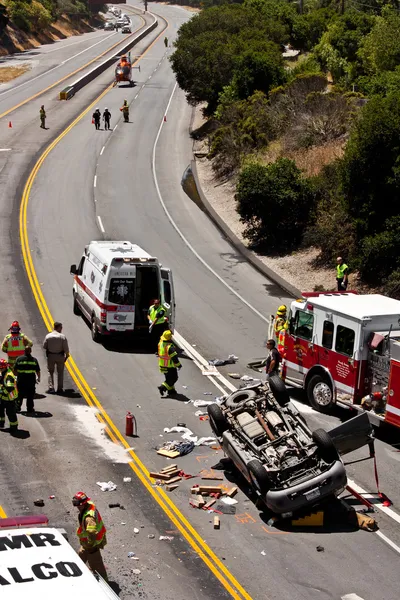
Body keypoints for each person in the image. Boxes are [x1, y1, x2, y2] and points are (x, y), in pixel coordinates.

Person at [72, 492, 108, 581]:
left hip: (91, 543)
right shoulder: (90, 505)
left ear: (82, 504)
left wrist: (90, 543)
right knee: (81, 556)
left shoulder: (89, 518)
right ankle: (76, 573)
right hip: (86, 543)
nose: (77, 507)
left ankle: (105, 583)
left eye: (78, 505)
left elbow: (92, 532)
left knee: (96, 564)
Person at [43, 322, 70, 394]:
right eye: (61, 327)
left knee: (50, 371)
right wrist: (67, 355)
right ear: (57, 327)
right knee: (60, 372)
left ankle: (51, 388)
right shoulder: (62, 337)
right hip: (60, 356)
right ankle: (60, 389)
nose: (61, 329)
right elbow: (66, 349)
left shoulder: (48, 336)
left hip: (51, 356)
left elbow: (44, 346)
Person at [14, 347, 40, 413]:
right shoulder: (34, 360)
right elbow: (38, 371)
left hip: (21, 380)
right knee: (30, 395)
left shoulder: (19, 359)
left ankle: (17, 407)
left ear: (24, 351)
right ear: (30, 351)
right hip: (30, 381)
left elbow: (15, 371)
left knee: (20, 395)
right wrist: (38, 378)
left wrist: (17, 376)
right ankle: (30, 408)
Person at [157, 330, 181, 397]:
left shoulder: (160, 343)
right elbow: (174, 358)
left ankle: (171, 391)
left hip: (162, 365)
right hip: (170, 366)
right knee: (174, 378)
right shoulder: (170, 347)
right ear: (170, 338)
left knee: (169, 379)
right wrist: (179, 365)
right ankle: (162, 387)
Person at [0, 359, 18, 431]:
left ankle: (14, 427)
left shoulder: (9, 376)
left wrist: (2, 392)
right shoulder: (4, 372)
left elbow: (9, 387)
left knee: (10, 413)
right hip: (3, 398)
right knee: (0, 411)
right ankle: (1, 423)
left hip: (9, 398)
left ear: (3, 367)